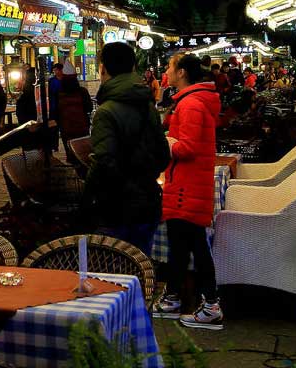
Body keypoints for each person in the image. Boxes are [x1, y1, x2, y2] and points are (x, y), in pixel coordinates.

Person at [153, 53, 224, 330]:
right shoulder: (192, 101)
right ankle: (173, 298)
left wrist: (167, 142)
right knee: (180, 246)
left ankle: (211, 305)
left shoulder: (191, 104)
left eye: (170, 67)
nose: (166, 71)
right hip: (186, 184)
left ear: (182, 72)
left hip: (187, 186)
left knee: (195, 245)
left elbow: (188, 147)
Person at [83, 42, 170, 255]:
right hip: (148, 201)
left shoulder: (106, 112)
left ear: (103, 69)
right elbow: (163, 155)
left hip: (117, 208)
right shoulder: (147, 105)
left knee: (114, 267)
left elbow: (103, 163)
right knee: (141, 264)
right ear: (133, 67)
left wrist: (85, 200)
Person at [56, 61, 93, 158]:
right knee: (83, 154)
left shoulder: (58, 94)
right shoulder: (83, 92)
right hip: (82, 127)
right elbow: (89, 108)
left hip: (66, 128)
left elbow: (56, 111)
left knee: (70, 154)